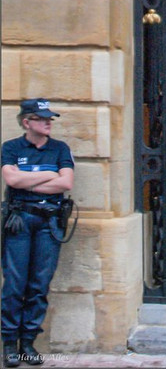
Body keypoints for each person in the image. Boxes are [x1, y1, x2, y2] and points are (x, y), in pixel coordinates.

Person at [1, 99, 74, 367]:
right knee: (14, 284)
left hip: (49, 222)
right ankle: (10, 343)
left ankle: (28, 343)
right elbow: (11, 180)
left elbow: (66, 183)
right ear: (26, 122)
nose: (48, 122)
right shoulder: (11, 147)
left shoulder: (59, 148)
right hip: (19, 220)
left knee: (39, 284)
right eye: (42, 118)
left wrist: (27, 181)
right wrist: (49, 176)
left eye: (49, 118)